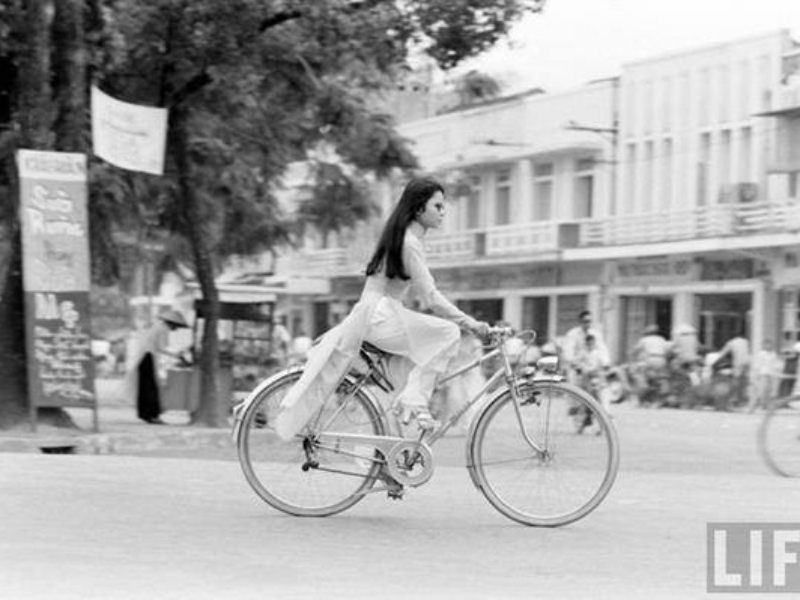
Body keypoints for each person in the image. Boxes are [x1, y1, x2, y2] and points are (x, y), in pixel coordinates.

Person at [274, 177, 491, 440]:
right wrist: (472, 324)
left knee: (392, 385)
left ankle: (387, 455)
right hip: (381, 315)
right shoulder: (409, 244)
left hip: (375, 314)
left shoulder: (403, 239)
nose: (443, 212)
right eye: (438, 206)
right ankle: (415, 402)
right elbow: (431, 298)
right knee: (447, 334)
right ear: (419, 208)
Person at [126, 309, 190, 425]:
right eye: (177, 326)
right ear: (172, 323)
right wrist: (178, 354)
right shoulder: (163, 329)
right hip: (148, 358)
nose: (176, 329)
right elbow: (162, 347)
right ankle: (152, 415)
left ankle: (146, 414)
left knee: (145, 388)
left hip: (145, 358)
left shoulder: (158, 326)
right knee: (150, 388)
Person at [561, 310, 609, 385]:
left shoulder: (595, 334)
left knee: (600, 383)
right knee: (575, 383)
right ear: (580, 322)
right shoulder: (573, 334)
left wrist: (605, 363)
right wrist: (574, 364)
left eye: (590, 321)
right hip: (577, 366)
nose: (588, 324)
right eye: (585, 321)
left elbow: (602, 349)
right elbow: (568, 351)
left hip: (593, 366)